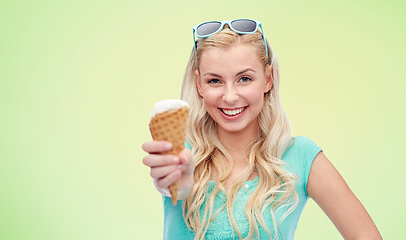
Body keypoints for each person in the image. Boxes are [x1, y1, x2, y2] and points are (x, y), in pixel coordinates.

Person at [142, 19, 382, 240]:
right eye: (214, 80)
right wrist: (178, 182)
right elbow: (173, 184)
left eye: (244, 79)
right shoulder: (180, 155)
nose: (230, 96)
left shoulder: (301, 157)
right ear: (199, 84)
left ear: (268, 79)